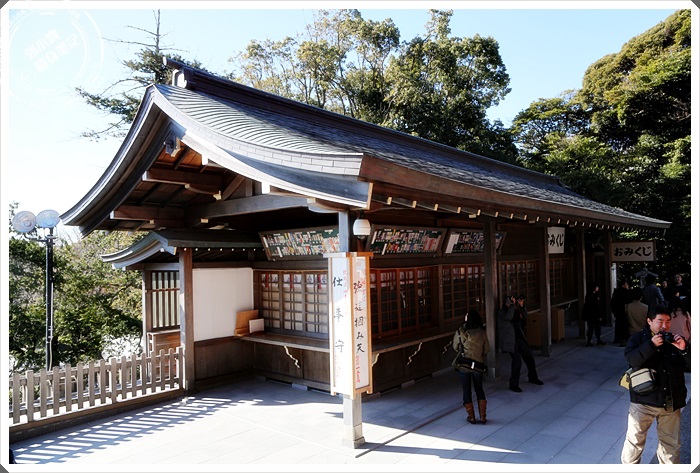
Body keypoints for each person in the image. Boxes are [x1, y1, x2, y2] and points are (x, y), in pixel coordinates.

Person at [620, 307, 690, 464]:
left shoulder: (674, 340)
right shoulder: (638, 339)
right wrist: (650, 345)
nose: (665, 326)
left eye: (668, 321)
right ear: (649, 321)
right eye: (660, 321)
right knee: (634, 443)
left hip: (670, 403)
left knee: (671, 445)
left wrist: (684, 349)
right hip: (643, 401)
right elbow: (632, 360)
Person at [498, 294, 543, 392]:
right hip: (510, 340)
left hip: (519, 338)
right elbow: (508, 317)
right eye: (511, 301)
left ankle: (533, 377)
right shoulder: (502, 312)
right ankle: (513, 384)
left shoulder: (514, 309)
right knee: (517, 361)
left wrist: (522, 306)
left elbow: (524, 316)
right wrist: (512, 306)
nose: (513, 303)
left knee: (529, 357)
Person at [452, 309, 489, 424]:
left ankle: (471, 416)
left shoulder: (460, 332)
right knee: (479, 389)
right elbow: (487, 349)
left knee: (466, 390)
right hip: (478, 365)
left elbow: (455, 347)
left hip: (464, 365)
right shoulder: (482, 333)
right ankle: (482, 416)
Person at [611, 279, 632, 346]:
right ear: (623, 285)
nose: (627, 285)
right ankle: (623, 339)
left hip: (618, 311)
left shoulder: (616, 292)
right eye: (626, 284)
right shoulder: (626, 292)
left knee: (618, 325)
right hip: (624, 311)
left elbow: (612, 302)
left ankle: (617, 339)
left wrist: (614, 311)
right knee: (624, 325)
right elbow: (629, 301)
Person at [583, 282, 606, 346]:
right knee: (592, 328)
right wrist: (599, 315)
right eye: (596, 287)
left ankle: (597, 340)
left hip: (592, 314)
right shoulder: (592, 295)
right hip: (593, 315)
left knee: (596, 327)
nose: (598, 288)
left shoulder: (592, 294)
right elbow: (596, 307)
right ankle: (589, 341)